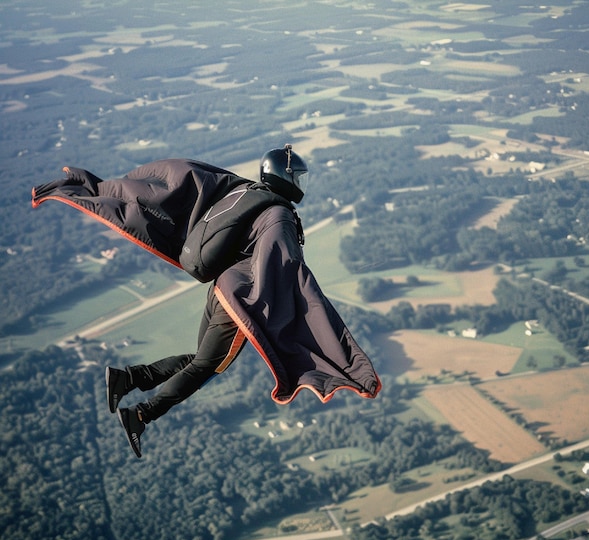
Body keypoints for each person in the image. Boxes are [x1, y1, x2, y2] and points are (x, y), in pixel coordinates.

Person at [32, 145, 381, 458]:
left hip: (220, 290)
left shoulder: (246, 190)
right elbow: (286, 266)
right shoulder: (279, 216)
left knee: (201, 359)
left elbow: (193, 179)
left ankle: (129, 378)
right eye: (298, 177)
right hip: (237, 299)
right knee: (208, 366)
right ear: (284, 177)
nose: (301, 184)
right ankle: (141, 414)